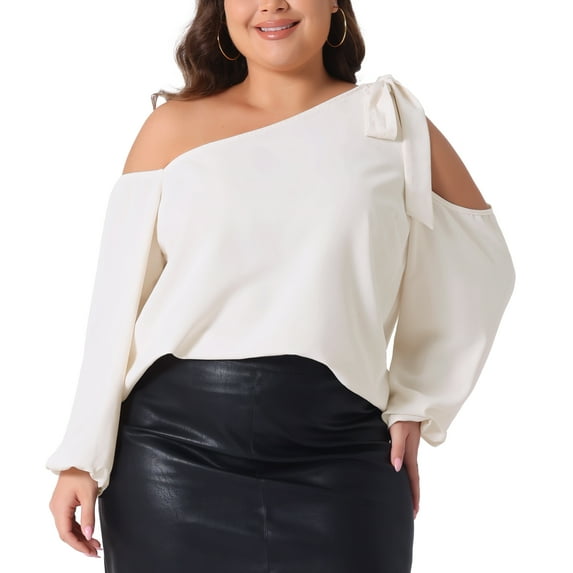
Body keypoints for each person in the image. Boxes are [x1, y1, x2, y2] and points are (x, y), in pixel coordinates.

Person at [46, 1, 516, 572]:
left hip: (341, 452)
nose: (271, 4)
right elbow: (116, 305)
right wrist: (81, 456)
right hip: (171, 453)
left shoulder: (390, 122)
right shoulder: (170, 130)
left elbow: (480, 262)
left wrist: (420, 399)